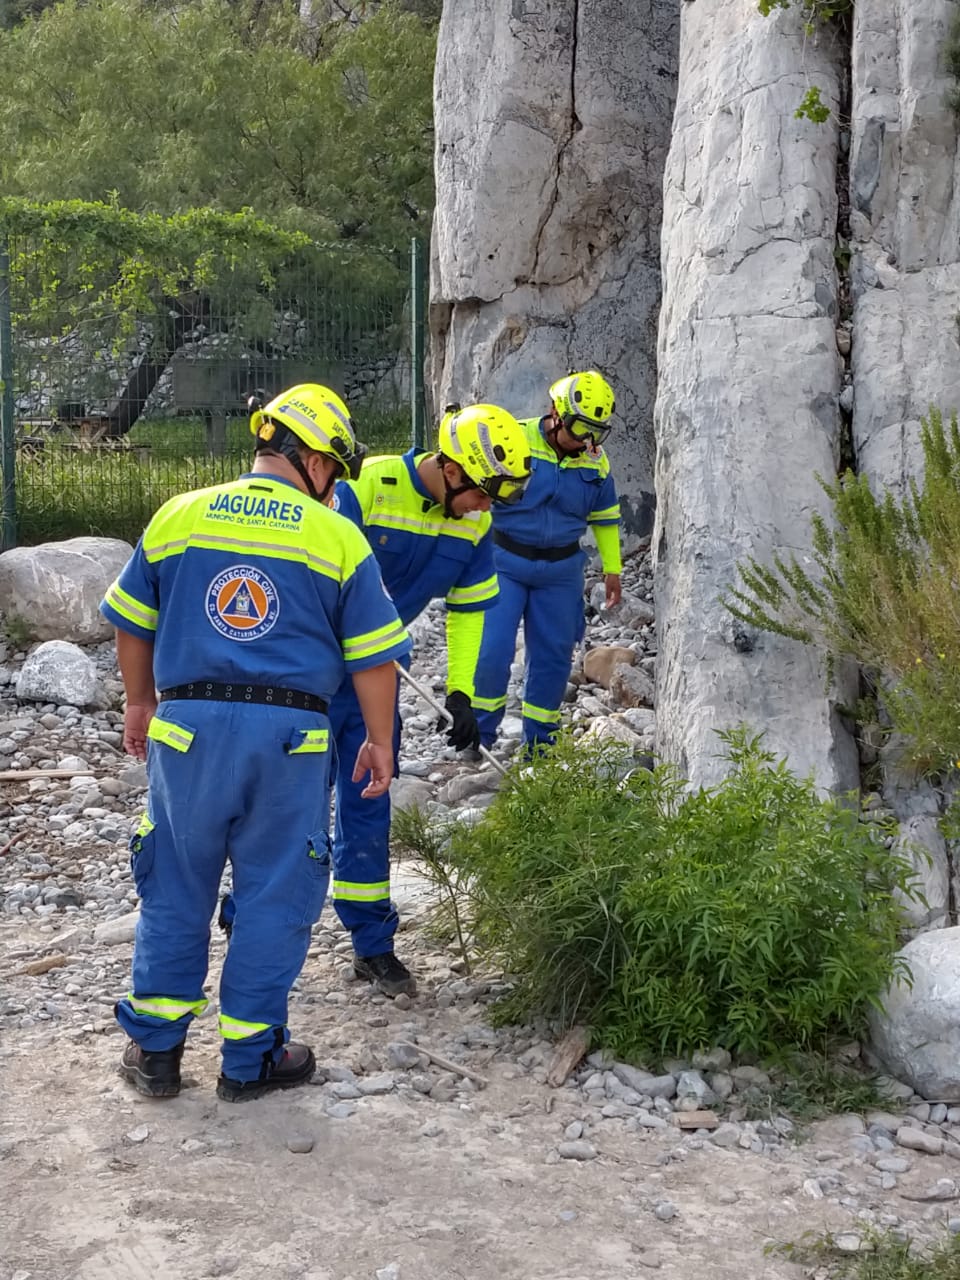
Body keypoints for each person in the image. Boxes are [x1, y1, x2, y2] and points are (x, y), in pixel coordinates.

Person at [99, 383, 411, 1103]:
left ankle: (156, 1056)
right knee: (275, 893)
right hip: (292, 739)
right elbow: (372, 656)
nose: (334, 484)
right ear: (310, 458)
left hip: (187, 731)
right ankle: (250, 1061)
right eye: (334, 467)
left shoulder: (180, 515)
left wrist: (140, 702)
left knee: (175, 888)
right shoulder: (337, 538)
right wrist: (379, 743)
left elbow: (132, 618)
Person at [326, 403, 532, 996]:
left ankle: (372, 944)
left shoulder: (472, 523)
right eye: (482, 493)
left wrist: (462, 692)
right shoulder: (368, 486)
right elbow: (313, 567)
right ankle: (253, 919)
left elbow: (468, 612)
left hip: (381, 675)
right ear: (449, 468)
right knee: (293, 804)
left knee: (368, 800)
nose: (486, 507)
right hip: (312, 672)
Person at [471, 370, 622, 756]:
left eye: (595, 431)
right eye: (579, 427)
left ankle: (540, 745)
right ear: (556, 412)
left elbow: (604, 517)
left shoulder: (595, 464)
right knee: (491, 649)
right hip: (504, 560)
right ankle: (479, 737)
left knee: (554, 657)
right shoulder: (515, 439)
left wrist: (613, 568)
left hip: (560, 571)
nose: (586, 439)